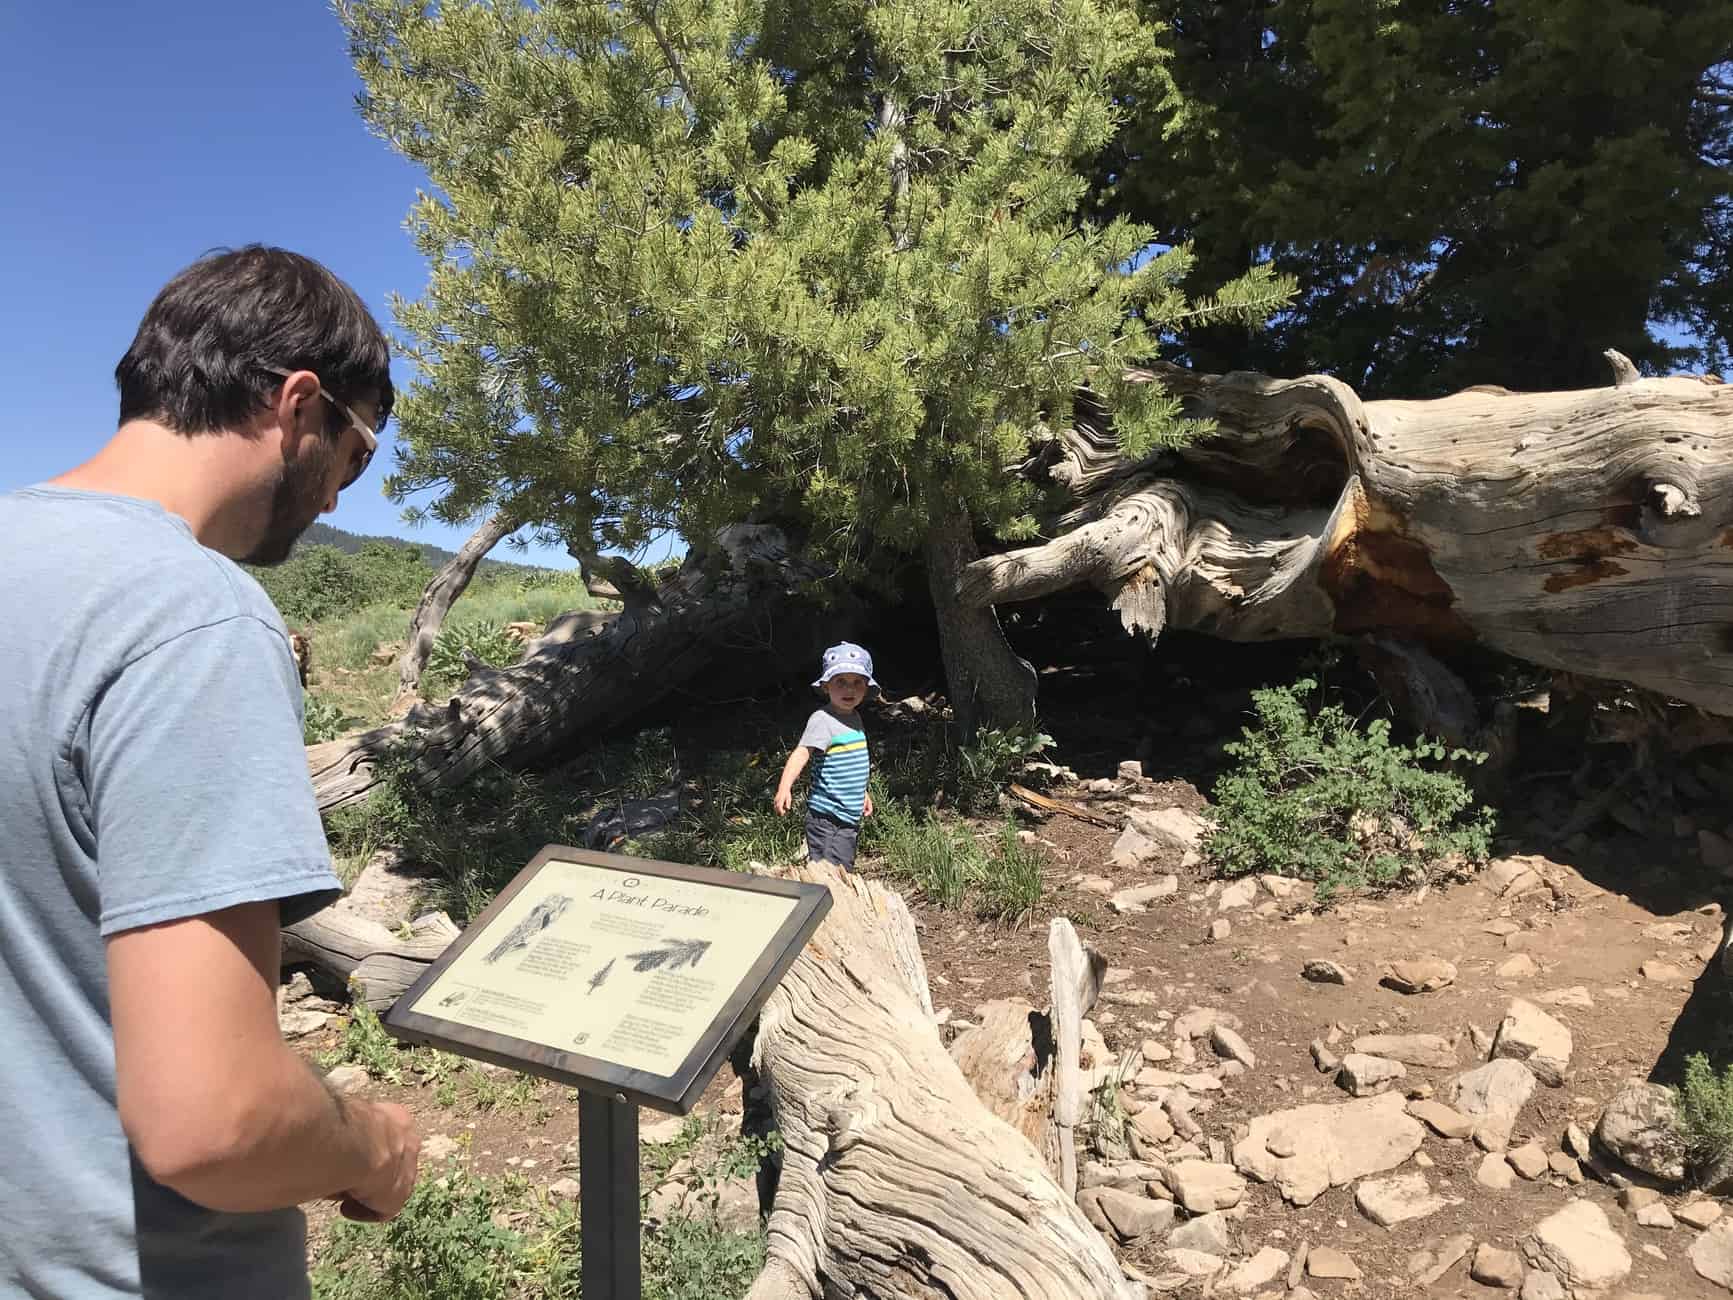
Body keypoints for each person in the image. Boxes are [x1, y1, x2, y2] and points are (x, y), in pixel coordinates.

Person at [0, 246, 422, 1299]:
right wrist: (370, 1143)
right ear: (298, 406)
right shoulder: (190, 613)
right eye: (355, 460)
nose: (334, 503)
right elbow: (214, 1119)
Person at [773, 642, 877, 870]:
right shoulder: (823, 720)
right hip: (827, 818)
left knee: (843, 869)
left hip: (849, 817)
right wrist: (784, 787)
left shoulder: (855, 718)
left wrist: (862, 793)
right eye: (841, 682)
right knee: (830, 873)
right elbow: (802, 753)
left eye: (857, 682)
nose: (849, 689)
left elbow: (850, 764)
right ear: (826, 686)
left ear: (866, 687)